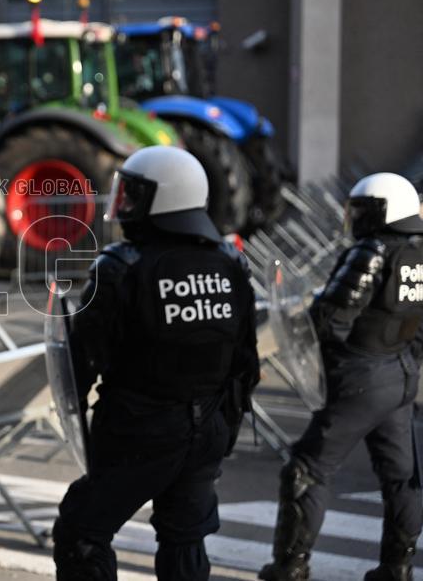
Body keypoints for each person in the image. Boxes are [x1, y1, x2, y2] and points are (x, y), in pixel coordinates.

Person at [52, 145, 260, 581]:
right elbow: (246, 362)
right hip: (210, 428)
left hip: (141, 426)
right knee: (184, 538)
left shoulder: (121, 267)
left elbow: (83, 358)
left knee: (82, 532)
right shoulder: (230, 262)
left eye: (132, 195)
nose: (123, 204)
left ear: (162, 199)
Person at [259, 173, 423, 581]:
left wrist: (331, 367)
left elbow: (329, 321)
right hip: (400, 376)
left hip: (361, 376)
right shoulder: (418, 258)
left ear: (382, 212)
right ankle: (397, 567)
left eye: (363, 210)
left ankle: (290, 567)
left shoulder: (371, 253)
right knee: (401, 477)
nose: (355, 218)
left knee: (307, 469)